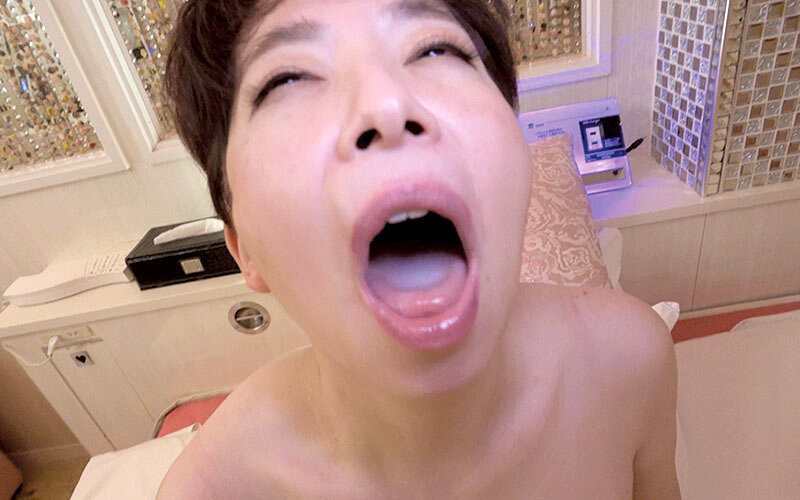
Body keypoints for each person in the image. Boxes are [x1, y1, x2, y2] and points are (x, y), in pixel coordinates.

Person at [157, 0, 681, 498]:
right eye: (287, 79)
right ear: (244, 249)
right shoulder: (214, 490)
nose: (386, 105)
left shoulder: (631, 362)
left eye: (436, 50)